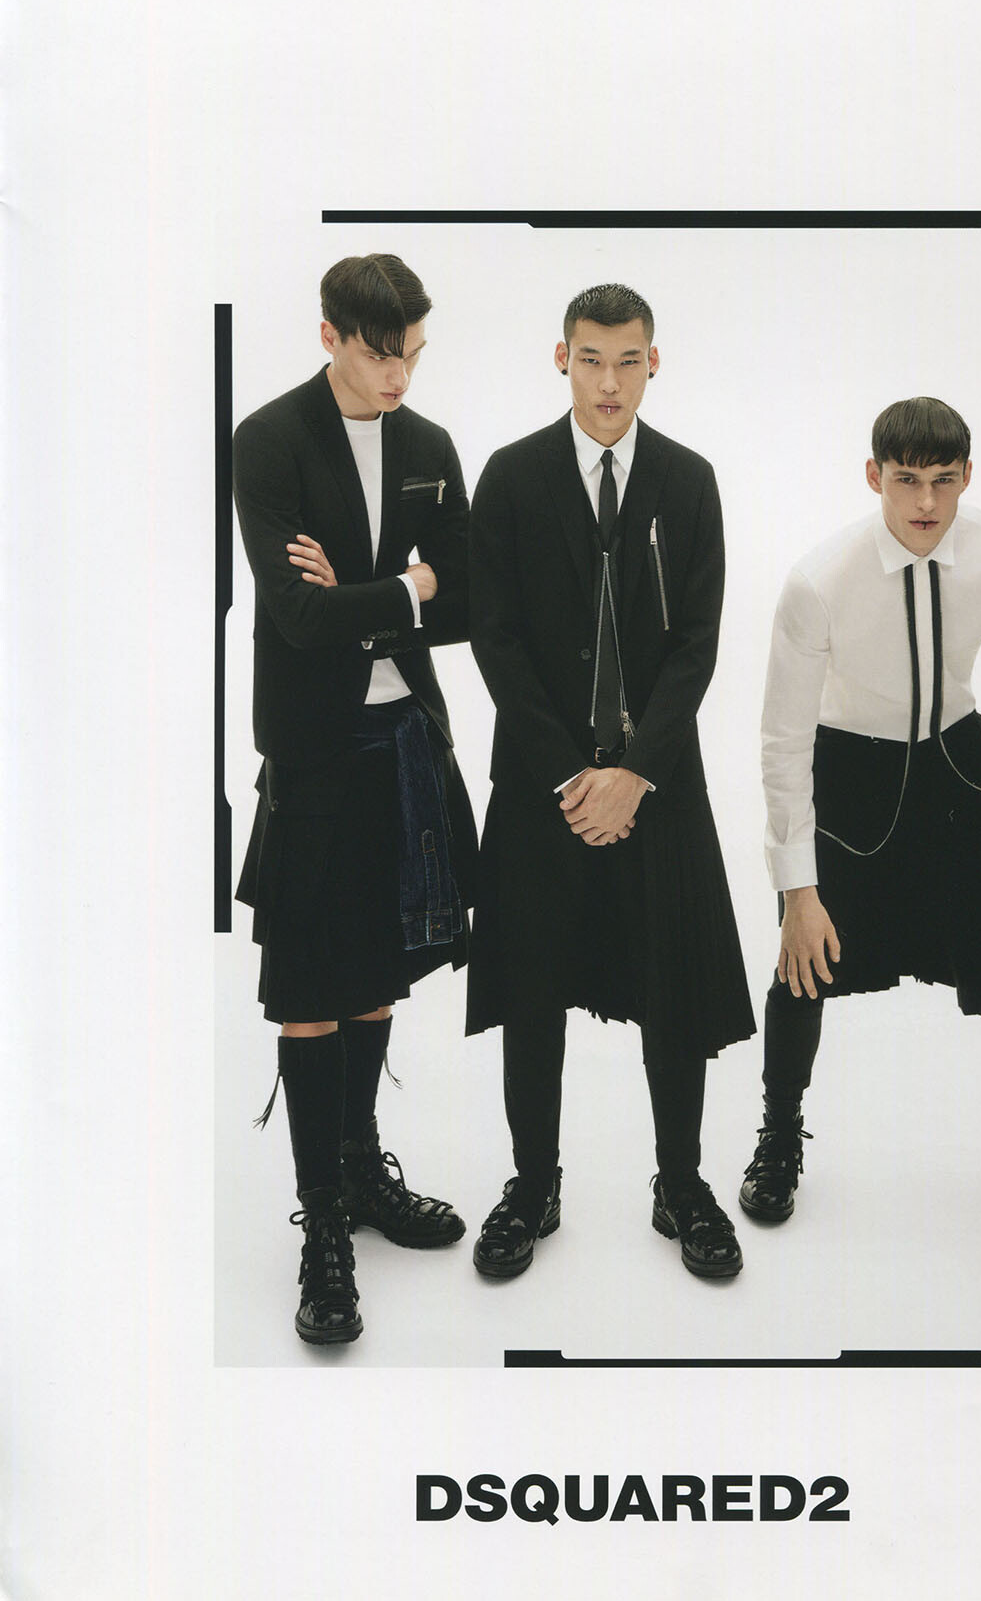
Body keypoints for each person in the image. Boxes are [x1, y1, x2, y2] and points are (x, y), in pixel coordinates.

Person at [466, 283, 755, 1281]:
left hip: (658, 782)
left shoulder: (689, 480)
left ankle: (681, 1184)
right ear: (562, 359)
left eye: (628, 360)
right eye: (590, 359)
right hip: (539, 782)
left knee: (673, 990)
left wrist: (634, 773)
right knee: (531, 990)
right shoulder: (510, 476)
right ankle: (531, 1185)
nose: (609, 382)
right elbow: (495, 639)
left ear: (653, 364)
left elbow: (698, 644)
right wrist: (569, 775)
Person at [232, 253, 477, 1344]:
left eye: (413, 354)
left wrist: (378, 596)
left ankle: (362, 1168)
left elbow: (470, 597)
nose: (400, 378)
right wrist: (410, 587)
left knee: (377, 976)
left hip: (405, 736)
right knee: (308, 991)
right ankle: (323, 1224)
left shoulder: (428, 447)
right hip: (313, 746)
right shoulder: (269, 440)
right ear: (329, 334)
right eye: (381, 355)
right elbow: (295, 617)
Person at [744, 396, 981, 1223]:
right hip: (853, 764)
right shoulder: (818, 580)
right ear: (873, 476)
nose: (925, 502)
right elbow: (782, 741)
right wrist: (797, 888)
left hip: (957, 754)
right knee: (803, 953)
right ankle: (779, 1134)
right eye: (907, 480)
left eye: (943, 481)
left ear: (967, 477)